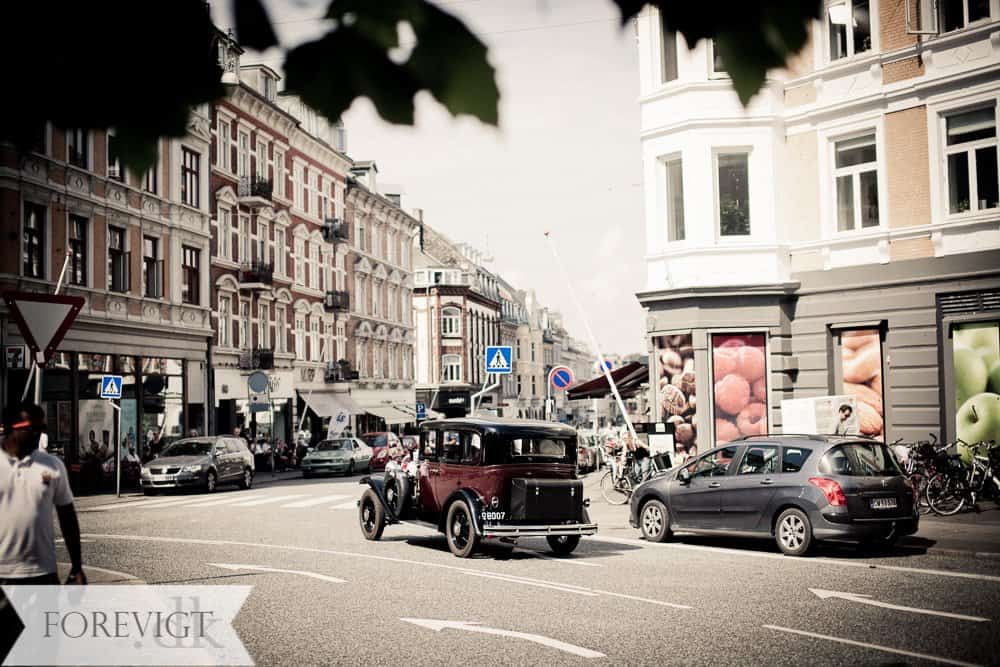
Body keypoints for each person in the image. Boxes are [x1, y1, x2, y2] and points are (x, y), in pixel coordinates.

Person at [0, 404, 86, 662]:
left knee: (42, 654)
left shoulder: (52, 465)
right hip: (1, 577)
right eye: (33, 427)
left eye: (42, 427)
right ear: (9, 429)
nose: (40, 433)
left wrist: (76, 566)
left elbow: (67, 516)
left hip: (42, 576)